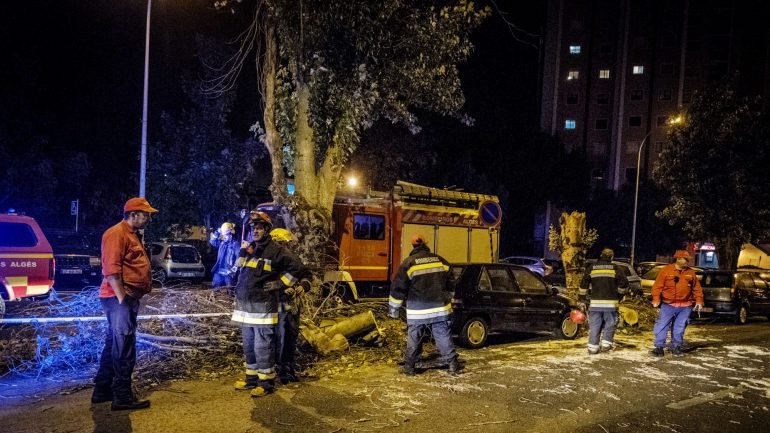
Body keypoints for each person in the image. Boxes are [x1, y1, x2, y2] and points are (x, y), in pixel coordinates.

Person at [231, 211, 310, 397]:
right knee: (249, 345)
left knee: (262, 346)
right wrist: (242, 253)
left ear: (267, 230)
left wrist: (280, 284)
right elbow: (239, 272)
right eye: (252, 228)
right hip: (245, 306)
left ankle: (266, 382)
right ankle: (251, 379)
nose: (255, 231)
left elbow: (298, 270)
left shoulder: (276, 251)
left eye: (259, 228)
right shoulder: (250, 249)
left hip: (263, 307)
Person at [92, 197, 158, 411]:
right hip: (119, 297)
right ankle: (122, 397)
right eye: (145, 214)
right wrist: (122, 299)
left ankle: (102, 390)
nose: (148, 218)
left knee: (114, 342)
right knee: (124, 347)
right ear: (133, 214)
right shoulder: (117, 234)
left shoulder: (130, 234)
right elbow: (111, 270)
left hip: (123, 297)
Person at [389, 234, 462, 376]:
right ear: (426, 244)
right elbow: (452, 283)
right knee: (442, 336)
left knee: (414, 338)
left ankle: (409, 367)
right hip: (440, 309)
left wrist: (394, 310)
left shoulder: (408, 263)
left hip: (417, 311)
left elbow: (398, 288)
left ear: (413, 246)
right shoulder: (441, 261)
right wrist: (448, 297)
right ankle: (452, 364)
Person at [269, 227, 311, 384]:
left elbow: (306, 274)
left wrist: (303, 286)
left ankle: (287, 371)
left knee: (288, 339)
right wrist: (283, 287)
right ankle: (274, 369)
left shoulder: (292, 258)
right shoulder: (269, 260)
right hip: (273, 306)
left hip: (289, 308)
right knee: (274, 339)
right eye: (284, 244)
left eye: (288, 244)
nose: (288, 247)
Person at [650, 250, 704, 357]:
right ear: (678, 259)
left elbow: (697, 288)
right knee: (662, 325)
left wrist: (699, 300)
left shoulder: (690, 272)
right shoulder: (666, 271)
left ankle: (676, 346)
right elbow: (657, 286)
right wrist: (656, 299)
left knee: (680, 326)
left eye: (688, 259)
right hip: (668, 304)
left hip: (685, 306)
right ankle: (659, 347)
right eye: (685, 259)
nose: (687, 262)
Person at [580, 248, 629, 355]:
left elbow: (583, 284)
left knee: (594, 325)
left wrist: (582, 299)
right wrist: (619, 295)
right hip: (610, 304)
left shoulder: (592, 268)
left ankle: (592, 347)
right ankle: (606, 345)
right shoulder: (615, 268)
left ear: (601, 255)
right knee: (610, 324)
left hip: (595, 303)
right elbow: (624, 284)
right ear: (611, 257)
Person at [209, 222, 240, 288]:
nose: (224, 237)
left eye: (226, 235)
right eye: (224, 235)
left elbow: (239, 258)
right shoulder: (222, 243)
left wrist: (233, 271)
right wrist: (217, 232)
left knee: (230, 290)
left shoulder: (235, 244)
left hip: (229, 273)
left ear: (231, 234)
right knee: (216, 289)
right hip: (219, 271)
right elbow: (212, 241)